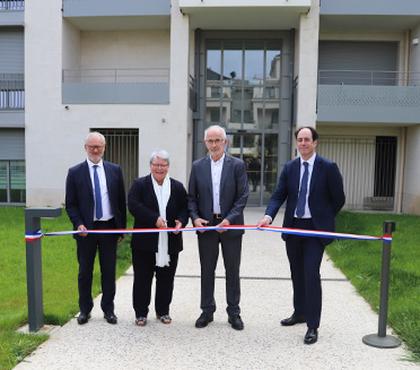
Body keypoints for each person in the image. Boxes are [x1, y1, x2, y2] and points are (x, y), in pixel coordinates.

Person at [258, 126, 345, 344]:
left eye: (307, 139)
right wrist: (268, 217)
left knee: (311, 274)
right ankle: (299, 312)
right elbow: (278, 195)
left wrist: (324, 218)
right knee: (297, 272)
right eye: (300, 139)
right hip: (293, 228)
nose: (303, 143)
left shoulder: (328, 167)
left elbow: (338, 198)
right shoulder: (290, 167)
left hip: (315, 230)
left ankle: (312, 325)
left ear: (315, 143)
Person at [188, 125, 249, 330]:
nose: (214, 145)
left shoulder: (237, 165)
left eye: (218, 141)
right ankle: (207, 311)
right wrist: (195, 218)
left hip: (230, 226)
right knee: (207, 270)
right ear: (205, 143)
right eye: (210, 141)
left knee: (232, 270)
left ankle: (234, 313)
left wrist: (229, 220)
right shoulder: (198, 166)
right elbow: (191, 198)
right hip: (206, 226)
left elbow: (242, 197)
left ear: (225, 142)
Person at [65, 131, 126, 325]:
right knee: (85, 272)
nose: (95, 149)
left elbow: (120, 201)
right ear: (85, 148)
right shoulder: (74, 172)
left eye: (99, 146)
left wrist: (121, 229)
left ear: (104, 147)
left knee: (108, 271)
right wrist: (78, 224)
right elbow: (71, 204)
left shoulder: (115, 170)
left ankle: (108, 310)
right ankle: (85, 310)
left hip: (109, 228)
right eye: (91, 146)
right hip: (86, 230)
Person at [127, 150, 188, 327]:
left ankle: (163, 311)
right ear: (150, 166)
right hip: (144, 243)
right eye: (156, 164)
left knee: (166, 279)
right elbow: (133, 205)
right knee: (142, 279)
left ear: (168, 167)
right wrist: (154, 219)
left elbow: (185, 208)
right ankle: (140, 313)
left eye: (163, 165)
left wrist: (181, 222)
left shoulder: (177, 187)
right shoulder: (140, 184)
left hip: (171, 242)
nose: (159, 168)